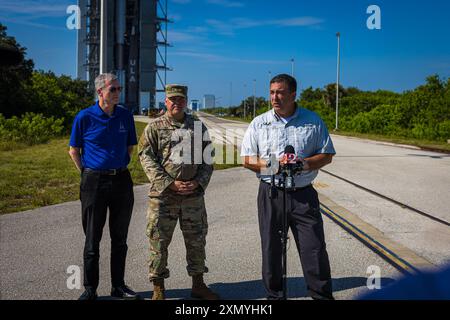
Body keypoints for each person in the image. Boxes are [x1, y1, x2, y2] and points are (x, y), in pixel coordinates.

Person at [240, 74, 336, 300]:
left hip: (303, 195)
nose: (275, 97)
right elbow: (246, 159)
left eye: (281, 92)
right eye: (272, 92)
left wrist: (305, 163)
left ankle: (321, 295)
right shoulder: (259, 123)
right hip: (271, 193)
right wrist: (275, 165)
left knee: (314, 249)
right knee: (271, 249)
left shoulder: (313, 121)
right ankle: (275, 297)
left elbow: (327, 154)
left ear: (293, 94)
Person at [138, 84, 219, 300]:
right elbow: (145, 157)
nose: (177, 103)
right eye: (172, 99)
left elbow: (208, 159)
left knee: (196, 240)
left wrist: (198, 183)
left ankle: (198, 284)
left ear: (186, 101)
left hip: (192, 197)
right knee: (158, 241)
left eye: (181, 99)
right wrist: (169, 183)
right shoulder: (155, 127)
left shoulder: (197, 126)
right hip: (163, 197)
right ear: (166, 101)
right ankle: (158, 288)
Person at [69, 73, 140, 300]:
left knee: (120, 238)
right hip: (93, 182)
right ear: (100, 92)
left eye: (119, 88)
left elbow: (130, 147)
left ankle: (118, 286)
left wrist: (116, 166)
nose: (118, 92)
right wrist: (88, 172)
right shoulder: (84, 117)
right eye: (113, 89)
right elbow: (74, 151)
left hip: (121, 179)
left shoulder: (125, 116)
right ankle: (90, 289)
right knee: (92, 239)